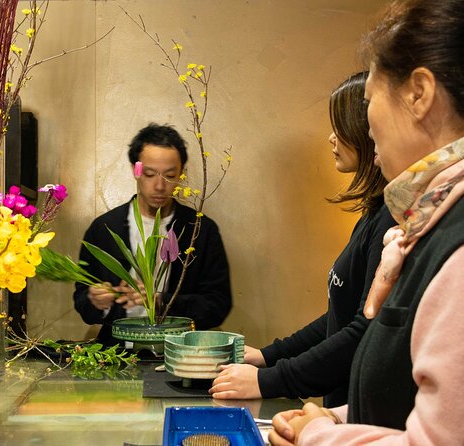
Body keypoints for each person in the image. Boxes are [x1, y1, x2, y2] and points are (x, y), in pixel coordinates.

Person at [269, 0, 464, 444]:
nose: (368, 125)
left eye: (369, 99)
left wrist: (319, 433)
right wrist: (339, 418)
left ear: (419, 93)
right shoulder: (428, 219)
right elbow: (412, 396)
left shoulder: (456, 242)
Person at [209, 72, 394, 407]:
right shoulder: (371, 215)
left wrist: (270, 380)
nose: (331, 138)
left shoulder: (389, 220)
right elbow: (338, 315)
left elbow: (362, 333)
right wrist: (268, 356)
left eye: (340, 126)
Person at [73, 123, 232, 346]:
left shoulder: (200, 229)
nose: (159, 186)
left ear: (181, 174)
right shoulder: (105, 229)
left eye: (170, 175)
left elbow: (218, 304)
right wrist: (97, 301)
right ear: (135, 170)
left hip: (180, 351)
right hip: (116, 353)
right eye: (149, 174)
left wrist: (161, 302)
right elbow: (83, 303)